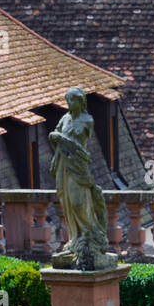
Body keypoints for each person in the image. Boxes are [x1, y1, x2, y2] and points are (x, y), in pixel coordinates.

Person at [48, 87, 112, 269]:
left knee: (78, 201)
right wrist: (56, 141)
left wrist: (58, 137)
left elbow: (75, 142)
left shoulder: (87, 120)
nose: (70, 105)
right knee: (65, 199)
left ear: (81, 102)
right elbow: (57, 141)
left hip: (77, 165)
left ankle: (91, 234)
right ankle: (75, 239)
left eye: (73, 101)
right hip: (63, 165)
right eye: (67, 101)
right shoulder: (65, 118)